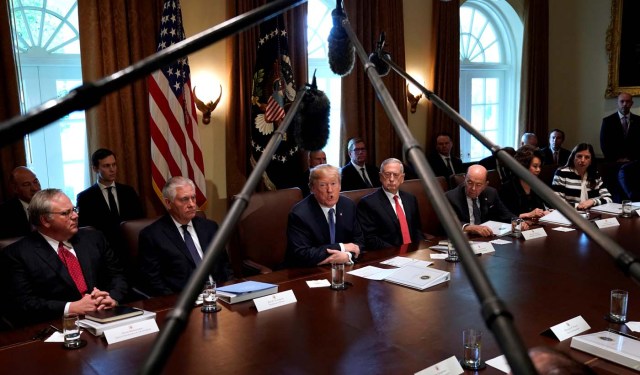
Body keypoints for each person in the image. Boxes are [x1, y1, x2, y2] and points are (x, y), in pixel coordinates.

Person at [2, 189, 127, 325]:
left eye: (74, 209)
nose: (75, 216)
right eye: (65, 213)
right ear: (45, 220)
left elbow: (118, 275)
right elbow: (24, 303)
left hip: (105, 316)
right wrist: (70, 307)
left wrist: (112, 298)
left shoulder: (94, 238)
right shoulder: (17, 254)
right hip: (56, 324)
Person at [138, 176, 231, 296]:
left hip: (219, 295)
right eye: (184, 199)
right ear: (168, 203)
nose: (192, 204)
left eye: (193, 198)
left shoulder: (210, 227)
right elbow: (154, 281)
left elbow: (225, 266)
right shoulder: (152, 236)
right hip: (182, 301)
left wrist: (230, 290)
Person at [286, 164, 363, 267]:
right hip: (308, 271)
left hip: (343, 267)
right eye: (323, 185)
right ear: (312, 188)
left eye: (333, 183)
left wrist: (348, 255)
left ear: (340, 186)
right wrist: (341, 247)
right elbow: (302, 254)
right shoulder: (299, 214)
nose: (330, 190)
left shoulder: (348, 206)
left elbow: (359, 242)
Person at [76, 148, 144, 259]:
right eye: (106, 166)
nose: (112, 169)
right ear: (95, 169)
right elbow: (85, 230)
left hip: (131, 249)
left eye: (114, 165)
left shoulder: (128, 191)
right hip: (103, 253)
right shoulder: (85, 197)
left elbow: (139, 219)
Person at [357, 158, 424, 249]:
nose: (391, 179)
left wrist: (421, 248)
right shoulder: (368, 203)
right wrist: (397, 252)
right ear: (380, 177)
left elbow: (417, 230)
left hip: (414, 253)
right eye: (387, 175)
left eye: (396, 175)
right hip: (388, 254)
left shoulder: (410, 199)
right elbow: (370, 239)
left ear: (402, 178)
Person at [445, 165, 523, 237]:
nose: (473, 188)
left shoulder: (491, 193)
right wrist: (470, 228)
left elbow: (505, 214)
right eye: (470, 182)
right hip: (464, 240)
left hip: (486, 238)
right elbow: (448, 223)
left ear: (485, 184)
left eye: (478, 185)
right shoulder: (451, 197)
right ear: (464, 179)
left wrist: (518, 221)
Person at [552, 143, 612, 210]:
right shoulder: (562, 173)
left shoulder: (595, 174)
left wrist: (593, 201)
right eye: (579, 156)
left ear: (591, 161)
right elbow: (557, 202)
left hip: (592, 214)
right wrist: (579, 206)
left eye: (587, 157)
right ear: (573, 158)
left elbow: (608, 198)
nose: (583, 160)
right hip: (570, 214)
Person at [500, 146, 550, 221]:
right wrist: (529, 214)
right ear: (524, 166)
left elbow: (543, 207)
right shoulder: (508, 188)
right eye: (535, 166)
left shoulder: (538, 185)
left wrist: (545, 212)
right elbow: (505, 216)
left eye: (540, 166)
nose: (538, 170)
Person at [0, 166, 41, 239]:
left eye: (35, 182)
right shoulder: (4, 213)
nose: (35, 188)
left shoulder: (51, 205)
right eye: (27, 184)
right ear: (15, 189)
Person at [600, 92, 640, 162]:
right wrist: (616, 159)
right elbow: (604, 144)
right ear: (617, 103)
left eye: (628, 101)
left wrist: (632, 159)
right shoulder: (608, 121)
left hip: (634, 163)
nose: (624, 104)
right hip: (613, 163)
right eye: (622, 101)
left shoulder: (639, 121)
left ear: (632, 103)